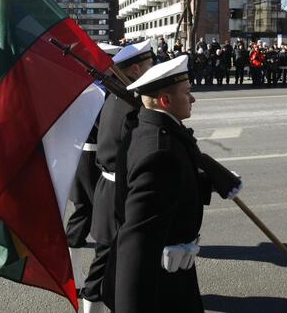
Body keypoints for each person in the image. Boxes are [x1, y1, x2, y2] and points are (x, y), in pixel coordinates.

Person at [109, 55, 241, 312]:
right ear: (165, 100)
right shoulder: (161, 151)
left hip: (172, 271)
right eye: (188, 92)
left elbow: (169, 190)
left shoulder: (149, 129)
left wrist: (208, 183)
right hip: (160, 285)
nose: (193, 99)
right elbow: (136, 239)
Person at [83, 40, 154, 313]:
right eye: (149, 65)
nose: (152, 69)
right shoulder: (130, 103)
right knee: (107, 259)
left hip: (110, 186)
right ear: (135, 69)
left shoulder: (118, 96)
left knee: (111, 257)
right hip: (117, 192)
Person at [66, 43, 120, 296]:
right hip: (94, 158)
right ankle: (87, 282)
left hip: (82, 155)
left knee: (83, 213)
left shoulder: (85, 85)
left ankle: (74, 275)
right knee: (94, 216)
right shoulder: (102, 89)